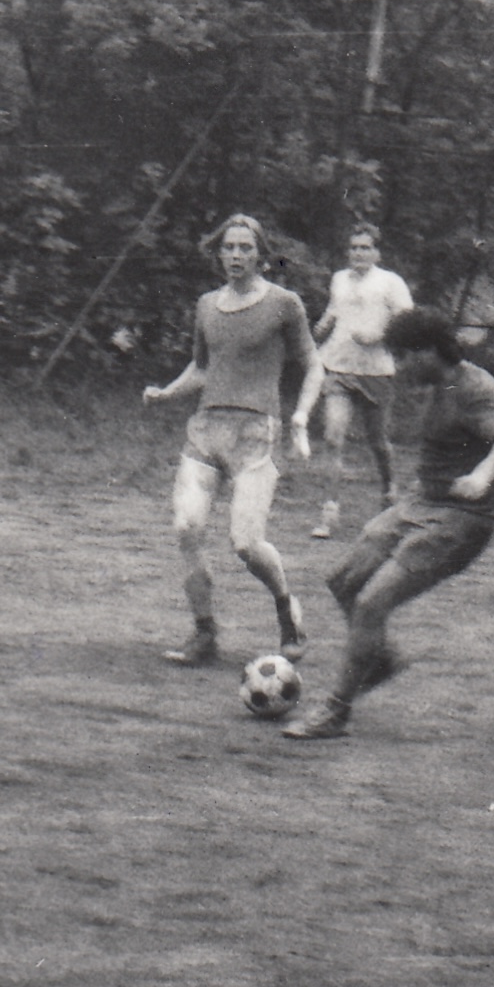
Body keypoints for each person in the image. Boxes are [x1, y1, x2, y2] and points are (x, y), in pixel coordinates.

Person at [283, 307, 494, 739]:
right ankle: (377, 660)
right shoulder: (438, 385)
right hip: (420, 504)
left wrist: (483, 476)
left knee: (370, 604)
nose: (400, 366)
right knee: (344, 580)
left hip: (461, 519)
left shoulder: (478, 389)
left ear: (431, 350)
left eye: (405, 356)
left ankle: (336, 711)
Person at [144, 213, 323, 667]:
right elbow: (202, 368)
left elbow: (313, 365)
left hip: (255, 434)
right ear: (219, 253)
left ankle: (287, 611)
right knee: (186, 527)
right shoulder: (207, 305)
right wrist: (167, 392)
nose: (236, 255)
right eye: (229, 247)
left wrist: (301, 416)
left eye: (246, 247)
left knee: (246, 544)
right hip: (206, 430)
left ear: (261, 255)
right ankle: (204, 632)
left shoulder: (284, 304)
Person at [310, 222, 414, 539]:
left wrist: (377, 336)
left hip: (376, 371)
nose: (359, 253)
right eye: (354, 248)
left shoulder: (390, 282)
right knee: (333, 437)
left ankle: (389, 492)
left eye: (365, 248)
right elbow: (333, 311)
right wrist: (320, 328)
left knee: (378, 442)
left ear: (376, 253)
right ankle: (329, 512)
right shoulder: (339, 279)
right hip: (338, 367)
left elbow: (406, 320)